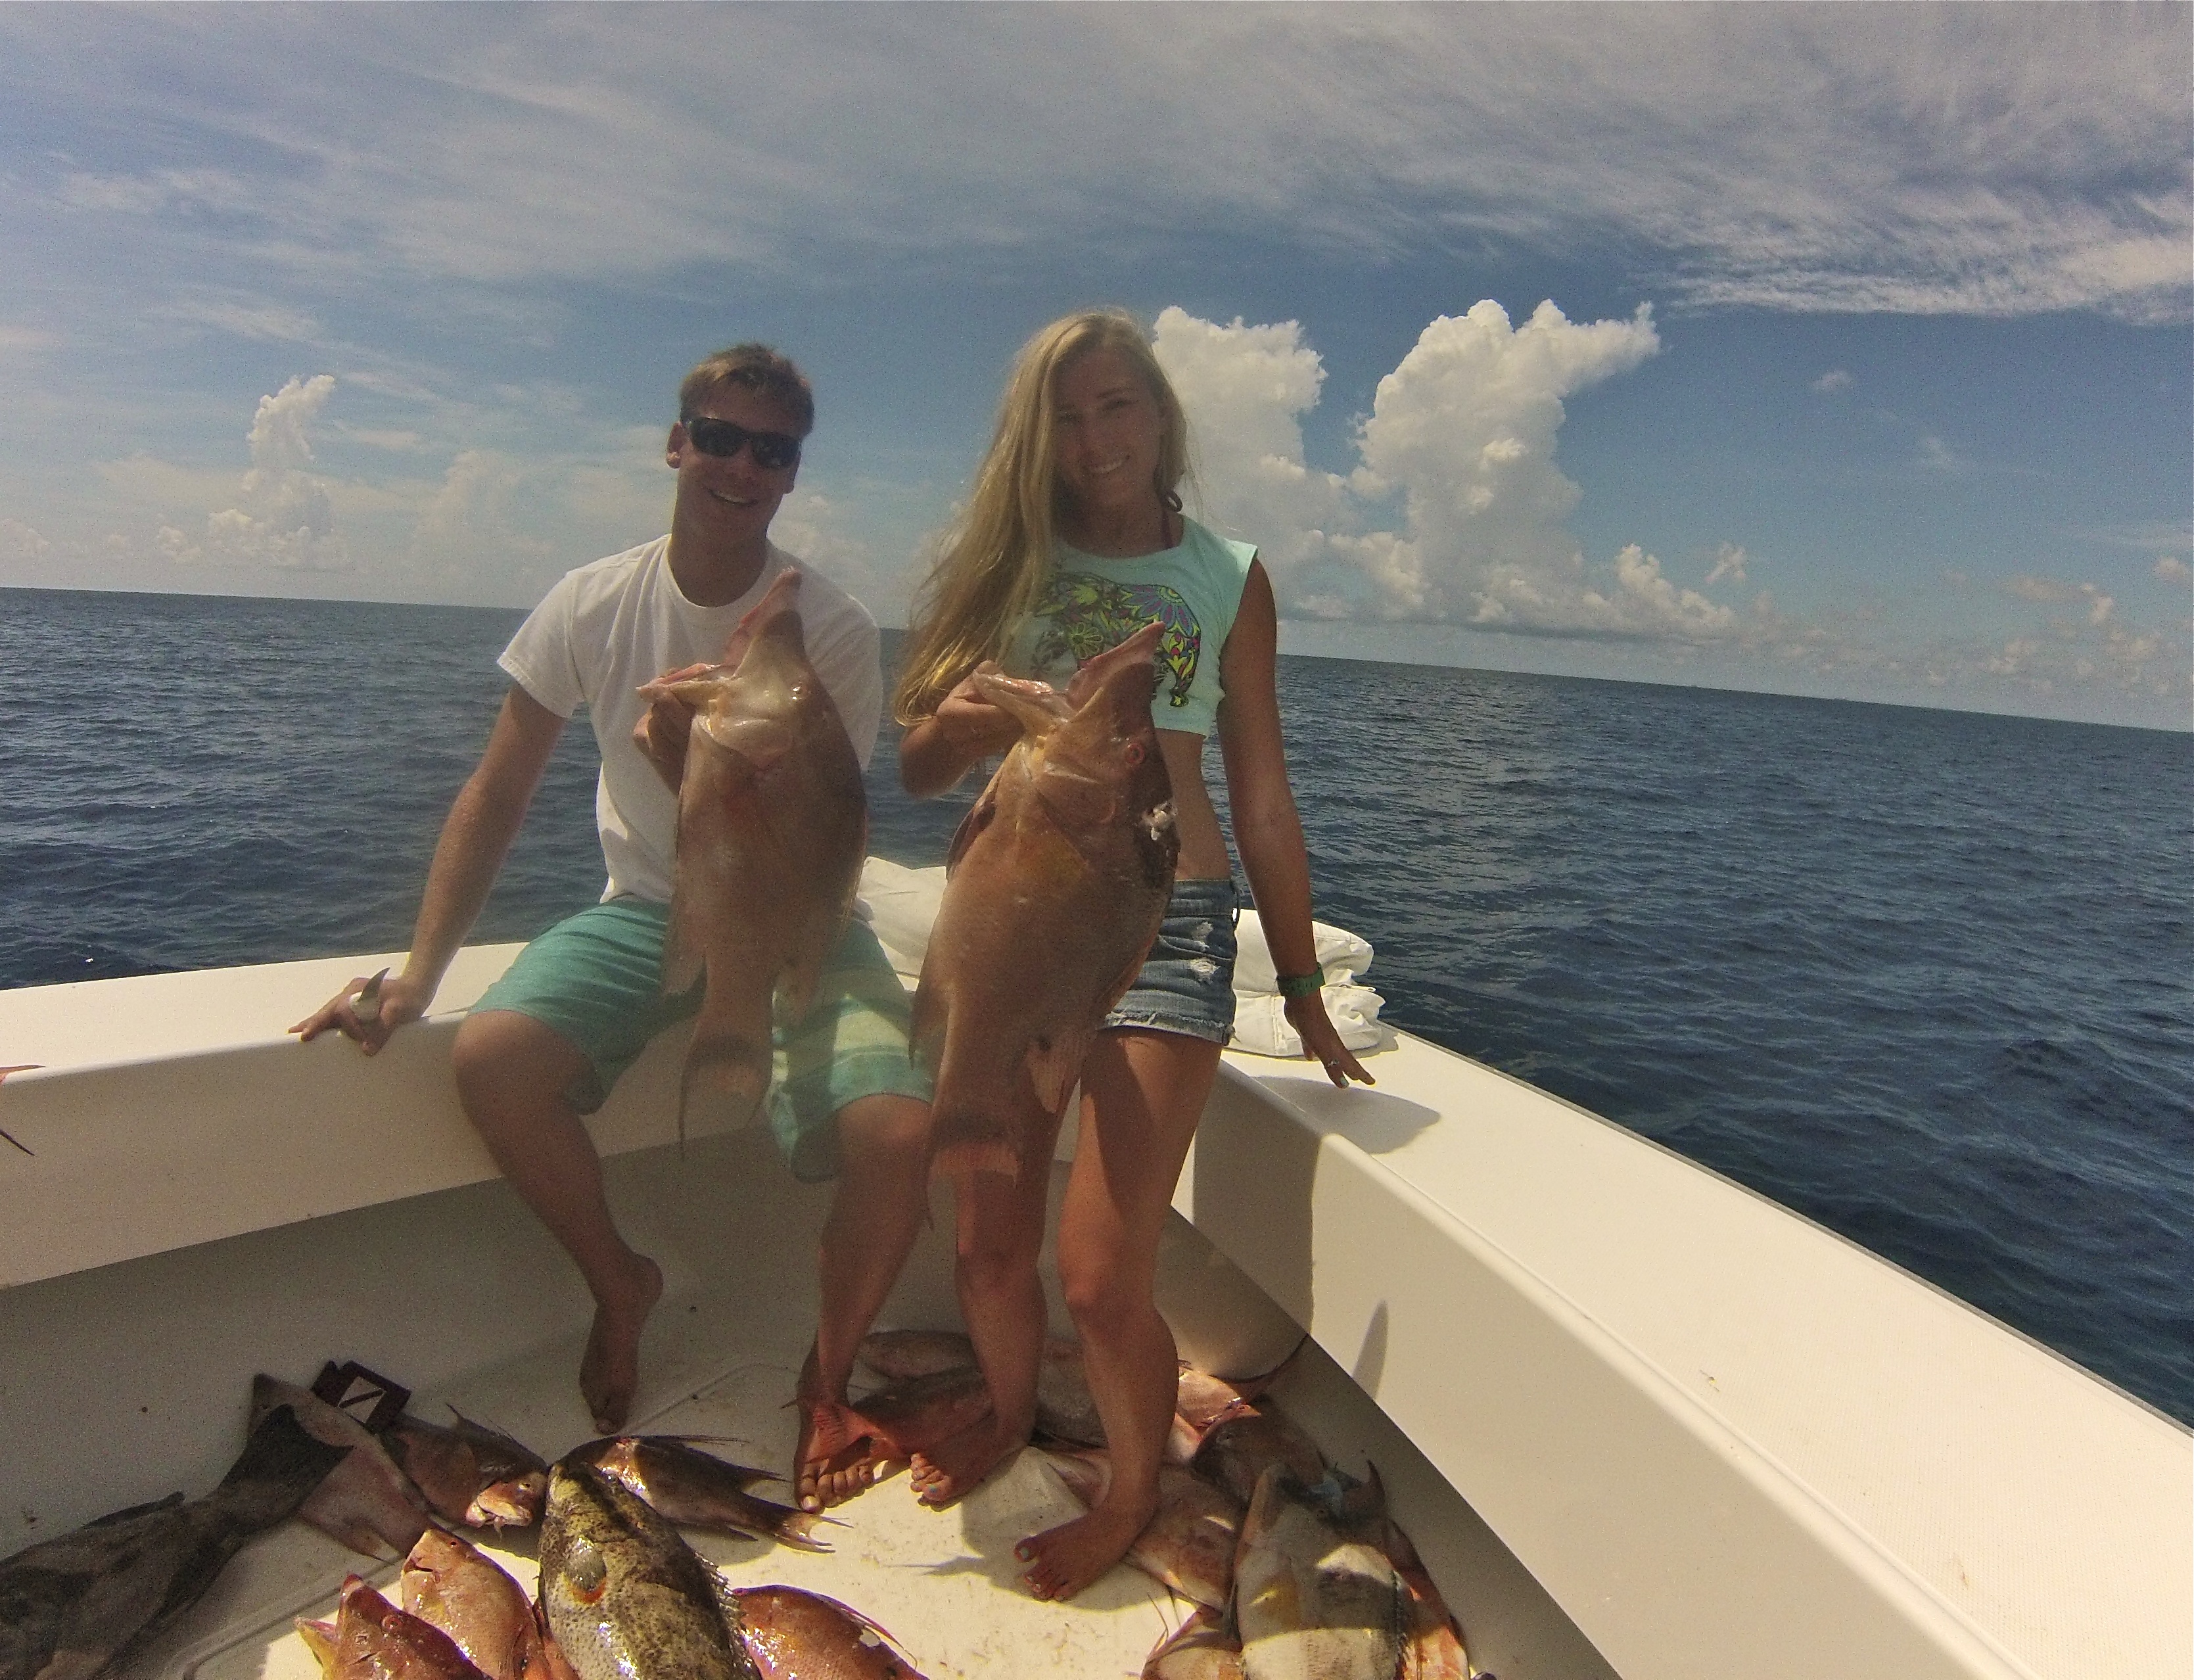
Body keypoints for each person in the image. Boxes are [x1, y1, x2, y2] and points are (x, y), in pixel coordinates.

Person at [292, 346, 931, 1510]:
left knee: (896, 1133)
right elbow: (497, 791)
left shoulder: (833, 628)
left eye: (771, 449)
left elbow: (823, 842)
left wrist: (702, 776)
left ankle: (828, 1377)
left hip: (798, 920)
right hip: (645, 908)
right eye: (720, 437)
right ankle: (620, 1283)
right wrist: (420, 975)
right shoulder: (591, 601)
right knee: (493, 1061)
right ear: (677, 445)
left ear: (792, 473)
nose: (742, 465)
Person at [891, 308, 1373, 1600]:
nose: (1094, 438)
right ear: (1034, 438)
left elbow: (1261, 795)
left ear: (1161, 415)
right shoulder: (1008, 565)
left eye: (1117, 406)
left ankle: (1130, 1489)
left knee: (1104, 1277)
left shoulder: (1229, 575)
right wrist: (963, 719)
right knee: (987, 1238)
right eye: (1065, 416)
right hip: (1019, 931)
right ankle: (1008, 1410)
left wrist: (1303, 987)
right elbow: (921, 765)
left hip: (1172, 922)